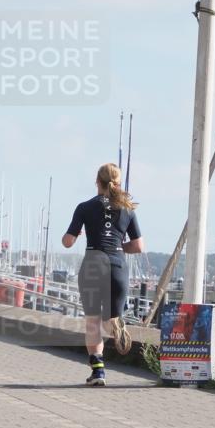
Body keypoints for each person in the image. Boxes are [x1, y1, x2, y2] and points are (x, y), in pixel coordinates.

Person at [61, 163, 144, 386]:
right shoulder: (128, 209)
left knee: (92, 322)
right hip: (117, 266)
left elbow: (67, 242)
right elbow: (138, 246)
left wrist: (75, 234)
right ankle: (116, 325)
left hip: (92, 265)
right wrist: (117, 247)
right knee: (109, 321)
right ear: (118, 182)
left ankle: (98, 372)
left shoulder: (84, 207)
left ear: (97, 181)